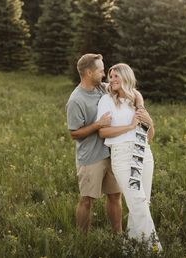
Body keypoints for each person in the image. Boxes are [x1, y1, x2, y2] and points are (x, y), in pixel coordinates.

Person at [96, 63, 162, 251]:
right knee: (138, 202)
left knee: (141, 203)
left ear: (126, 77)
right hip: (122, 155)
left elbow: (149, 137)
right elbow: (102, 133)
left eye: (117, 76)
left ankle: (131, 248)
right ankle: (154, 250)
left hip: (143, 153)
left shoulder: (136, 99)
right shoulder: (107, 100)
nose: (113, 80)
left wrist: (150, 123)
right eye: (110, 76)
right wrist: (129, 126)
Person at [66, 53, 122, 233]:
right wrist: (98, 125)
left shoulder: (101, 88)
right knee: (87, 200)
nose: (104, 74)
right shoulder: (76, 100)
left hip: (110, 153)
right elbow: (74, 134)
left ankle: (118, 235)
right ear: (89, 72)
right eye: (100, 70)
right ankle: (82, 239)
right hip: (90, 158)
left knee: (115, 196)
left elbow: (123, 87)